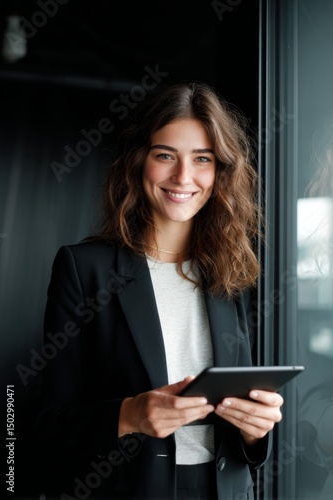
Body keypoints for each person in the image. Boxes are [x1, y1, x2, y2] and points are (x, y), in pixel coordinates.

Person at [36, 82, 283, 500]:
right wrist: (129, 414)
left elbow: (243, 424)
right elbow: (49, 424)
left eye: (202, 159)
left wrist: (258, 431)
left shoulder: (233, 271)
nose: (183, 177)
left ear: (220, 171)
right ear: (138, 162)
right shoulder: (84, 269)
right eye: (165, 155)